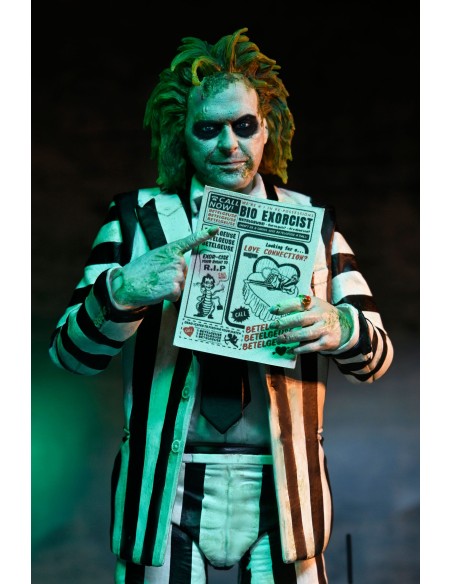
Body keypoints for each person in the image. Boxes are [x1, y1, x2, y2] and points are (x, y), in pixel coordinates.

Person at [49, 27, 394, 584]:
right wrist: (122, 292)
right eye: (208, 129)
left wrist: (341, 325)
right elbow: (70, 355)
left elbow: (377, 358)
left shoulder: (313, 225)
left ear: (267, 128)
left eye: (243, 125)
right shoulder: (136, 221)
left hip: (283, 484)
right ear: (180, 135)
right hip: (164, 484)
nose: (228, 145)